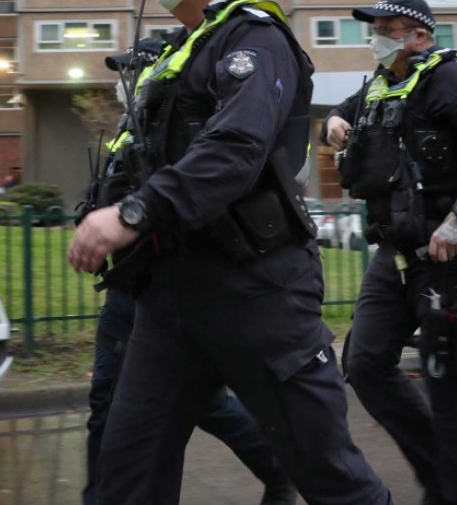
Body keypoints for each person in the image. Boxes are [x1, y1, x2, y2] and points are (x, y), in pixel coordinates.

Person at [68, 0, 392, 505]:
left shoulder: (254, 38)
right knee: (125, 474)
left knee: (330, 477)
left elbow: (235, 148)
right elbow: (146, 155)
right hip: (169, 298)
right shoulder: (182, 52)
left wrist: (133, 214)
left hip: (256, 290)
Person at [324, 0, 457, 505]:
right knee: (364, 365)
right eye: (376, 28)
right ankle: (441, 472)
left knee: (449, 386)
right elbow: (340, 114)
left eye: (388, 28)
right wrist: (332, 124)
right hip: (395, 255)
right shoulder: (378, 87)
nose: (378, 37)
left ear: (421, 36)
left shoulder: (450, 80)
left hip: (449, 255)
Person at [81, 42, 296, 505]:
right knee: (109, 403)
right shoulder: (129, 127)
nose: (125, 81)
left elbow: (184, 190)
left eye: (133, 70)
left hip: (167, 289)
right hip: (129, 286)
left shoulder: (174, 125)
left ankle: (278, 466)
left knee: (190, 407)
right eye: (122, 72)